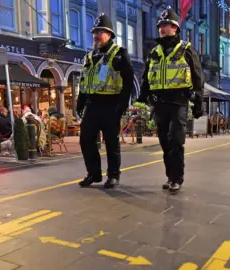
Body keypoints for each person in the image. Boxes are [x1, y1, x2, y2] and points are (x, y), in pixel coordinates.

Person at [137, 7, 204, 193]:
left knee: (175, 141)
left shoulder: (186, 50)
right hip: (160, 104)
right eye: (161, 25)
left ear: (175, 28)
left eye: (167, 25)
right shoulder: (154, 52)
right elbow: (146, 77)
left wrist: (198, 104)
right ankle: (169, 176)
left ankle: (177, 178)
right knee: (164, 143)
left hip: (178, 102)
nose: (163, 28)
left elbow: (198, 78)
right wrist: (143, 97)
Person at [77, 13, 134, 188]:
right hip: (93, 105)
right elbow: (85, 81)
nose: (96, 35)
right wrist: (80, 101)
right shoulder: (89, 57)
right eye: (95, 31)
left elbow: (129, 80)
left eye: (100, 31)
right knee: (85, 139)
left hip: (111, 104)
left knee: (111, 142)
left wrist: (123, 105)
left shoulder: (119, 54)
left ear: (109, 34)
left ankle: (113, 176)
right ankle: (94, 174)